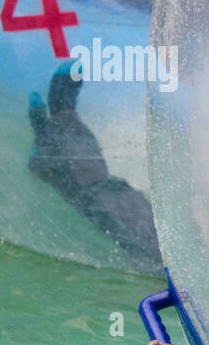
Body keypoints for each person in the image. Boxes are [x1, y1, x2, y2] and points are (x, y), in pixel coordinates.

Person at [28, 62, 162, 273]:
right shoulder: (61, 134)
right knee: (141, 238)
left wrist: (40, 127)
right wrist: (40, 129)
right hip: (95, 195)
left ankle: (163, 269)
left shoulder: (67, 130)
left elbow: (39, 167)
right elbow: (39, 168)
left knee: (151, 232)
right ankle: (160, 271)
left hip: (109, 189)